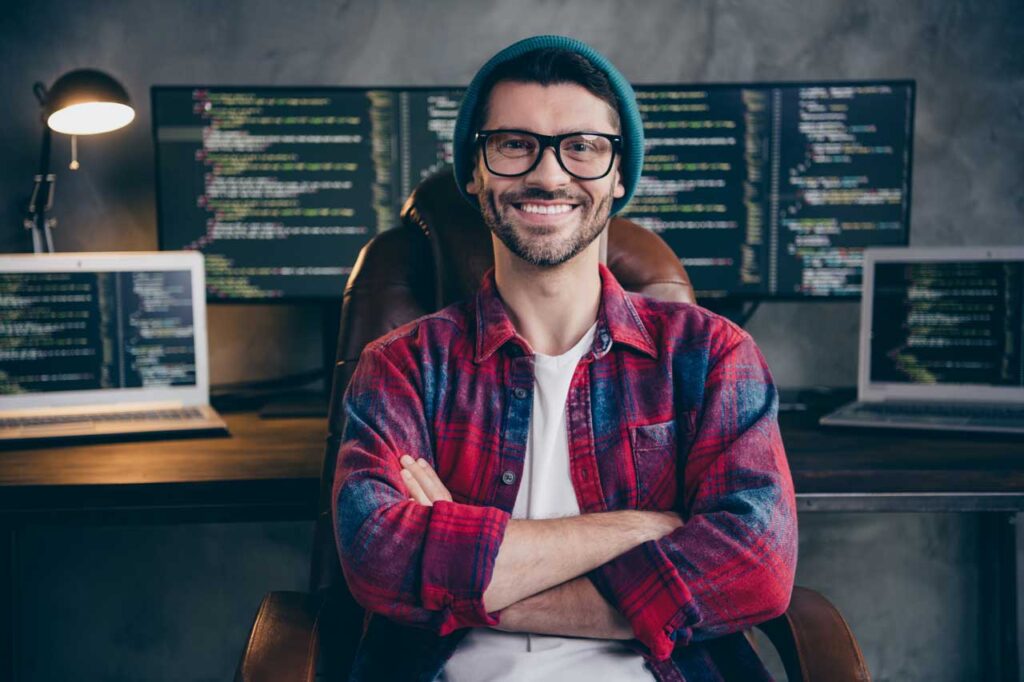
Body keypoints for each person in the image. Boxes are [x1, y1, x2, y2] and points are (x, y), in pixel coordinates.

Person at [333, 35, 797, 681]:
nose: (549, 174)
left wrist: (463, 581)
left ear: (619, 175)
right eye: (514, 144)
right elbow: (379, 560)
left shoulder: (710, 355)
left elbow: (754, 571)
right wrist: (639, 529)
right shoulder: (403, 366)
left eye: (582, 147)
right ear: (475, 170)